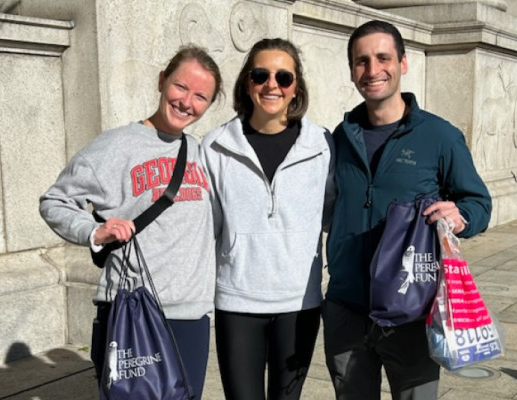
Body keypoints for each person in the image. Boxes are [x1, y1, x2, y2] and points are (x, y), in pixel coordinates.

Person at [39, 44, 223, 399]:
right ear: (161, 81)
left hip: (190, 315)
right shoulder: (115, 146)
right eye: (180, 87)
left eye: (201, 96)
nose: (187, 102)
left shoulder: (200, 152)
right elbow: (55, 201)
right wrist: (94, 231)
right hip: (131, 309)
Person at [323, 20, 492, 400]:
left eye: (383, 58)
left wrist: (461, 216)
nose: (372, 70)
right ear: (352, 71)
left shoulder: (439, 136)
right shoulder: (340, 136)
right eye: (361, 61)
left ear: (403, 63)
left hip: (412, 311)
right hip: (347, 307)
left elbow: (479, 202)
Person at [201, 38, 335, 400]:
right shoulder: (214, 146)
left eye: (283, 77)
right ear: (247, 83)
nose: (271, 84)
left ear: (296, 88)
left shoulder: (322, 145)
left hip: (299, 302)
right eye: (260, 75)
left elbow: (336, 213)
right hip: (237, 301)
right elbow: (203, 226)